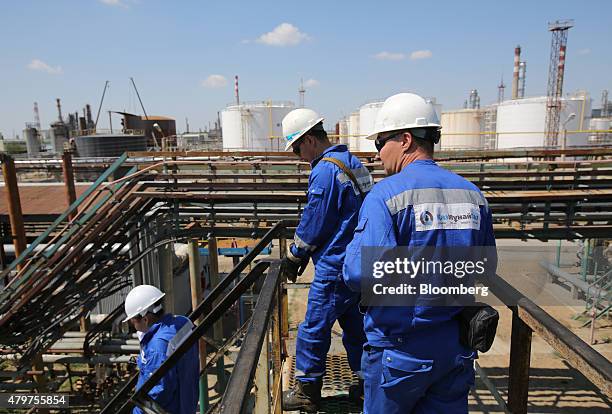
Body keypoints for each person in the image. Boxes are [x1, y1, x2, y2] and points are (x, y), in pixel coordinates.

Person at [343, 93, 497, 413]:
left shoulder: (386, 195)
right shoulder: (473, 195)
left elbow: (358, 272)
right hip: (454, 347)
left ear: (406, 140)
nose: (377, 154)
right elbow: (485, 267)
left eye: (380, 143)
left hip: (399, 352)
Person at [280, 108, 373, 411]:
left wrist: (296, 254)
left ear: (308, 139)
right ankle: (364, 386)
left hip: (336, 264)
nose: (298, 155)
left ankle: (307, 390)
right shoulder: (353, 162)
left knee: (314, 327)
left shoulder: (324, 169)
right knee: (357, 327)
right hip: (360, 262)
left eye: (296, 148)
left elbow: (315, 219)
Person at [123, 285, 199, 414]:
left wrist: (136, 411)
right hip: (187, 401)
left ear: (145, 319)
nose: (133, 326)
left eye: (132, 321)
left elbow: (157, 393)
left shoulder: (157, 348)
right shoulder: (183, 322)